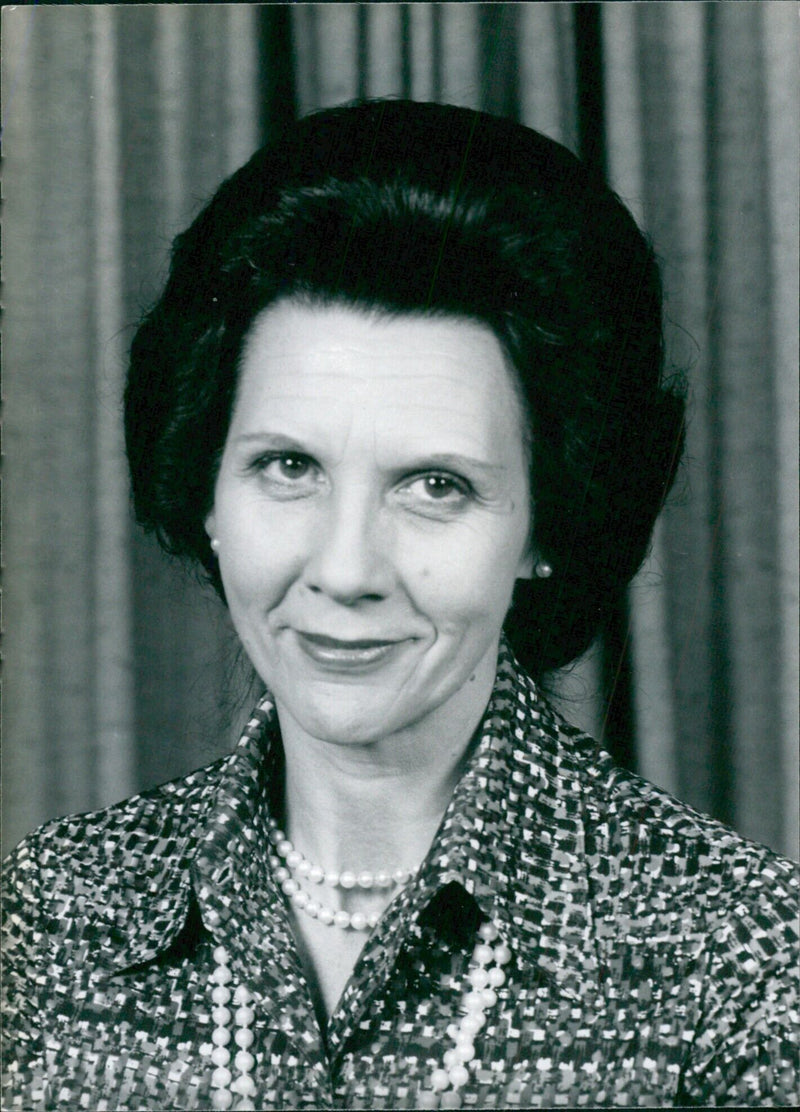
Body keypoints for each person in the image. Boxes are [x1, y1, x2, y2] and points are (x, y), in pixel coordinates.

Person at [2, 100, 797, 1111]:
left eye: (434, 486)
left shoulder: (741, 961)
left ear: (545, 526)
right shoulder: (52, 914)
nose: (345, 568)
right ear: (204, 488)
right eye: (287, 465)